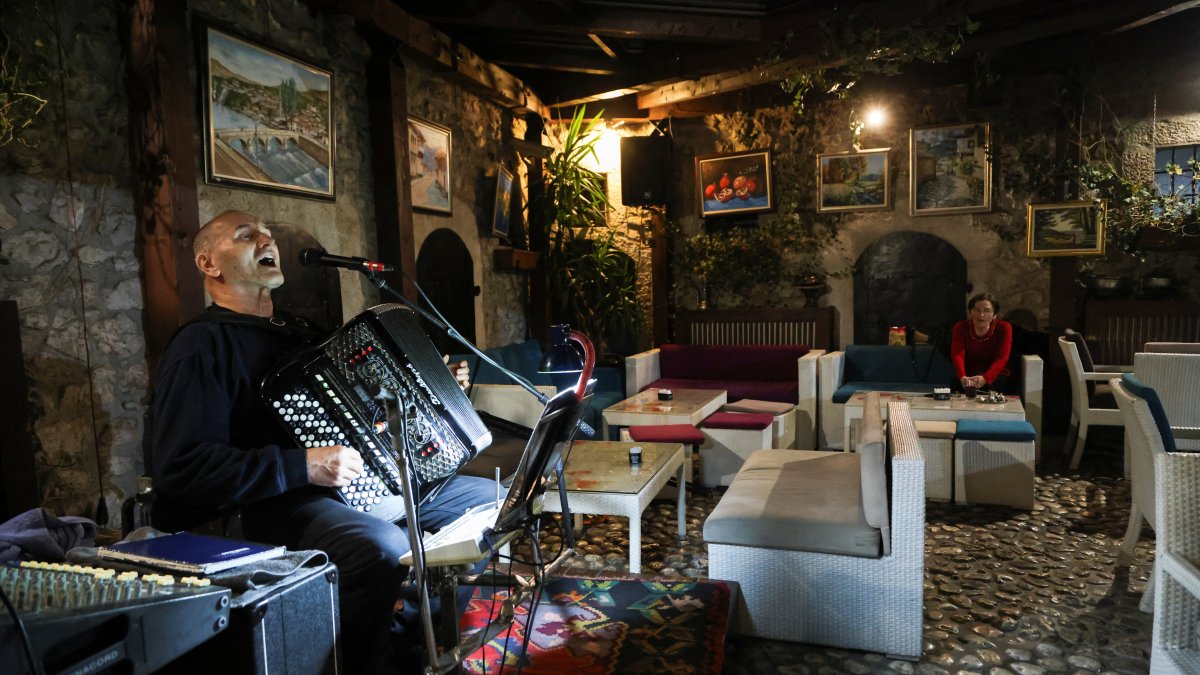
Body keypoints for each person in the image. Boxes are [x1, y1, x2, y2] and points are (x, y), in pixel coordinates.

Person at [147, 210, 494, 674]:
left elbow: (358, 419)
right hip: (260, 506)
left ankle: (411, 649)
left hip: (345, 488)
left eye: (266, 231)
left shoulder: (298, 334)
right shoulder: (201, 347)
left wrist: (435, 391)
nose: (265, 238)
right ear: (209, 265)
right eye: (245, 235)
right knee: (382, 547)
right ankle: (353, 665)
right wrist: (301, 466)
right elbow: (181, 467)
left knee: (488, 502)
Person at [950, 292, 1013, 394]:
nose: (981, 315)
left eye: (987, 311)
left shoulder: (1004, 328)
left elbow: (1002, 357)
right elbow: (957, 354)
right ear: (970, 312)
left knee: (995, 386)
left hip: (996, 373)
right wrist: (962, 377)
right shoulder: (960, 327)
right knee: (956, 385)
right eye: (977, 310)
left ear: (994, 315)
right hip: (968, 374)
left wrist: (985, 378)